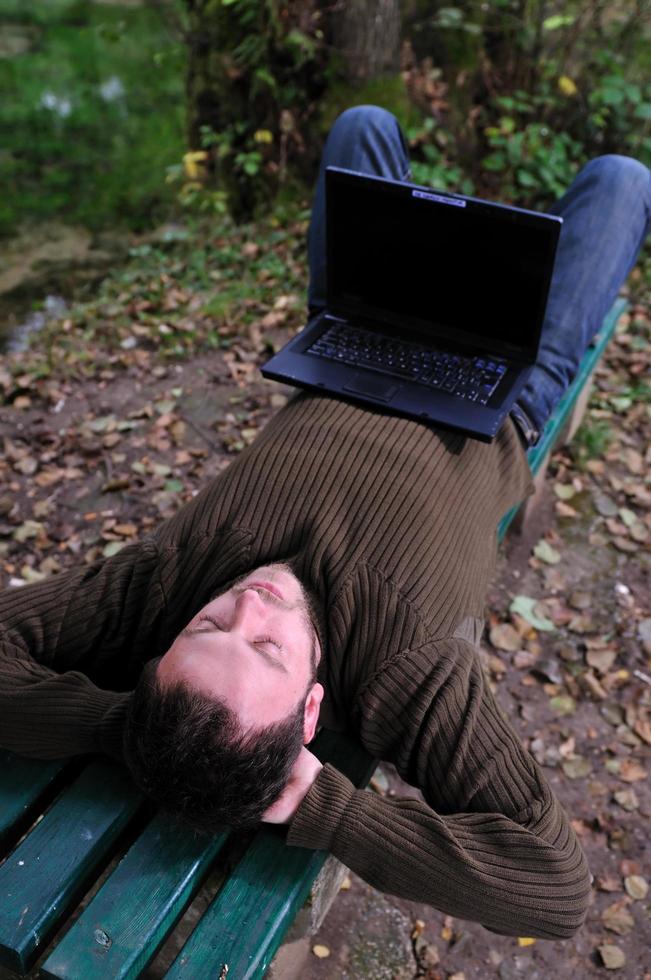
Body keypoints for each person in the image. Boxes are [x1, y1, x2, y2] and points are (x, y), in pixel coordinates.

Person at [1, 107, 649, 940]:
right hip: (509, 395)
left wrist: (116, 727)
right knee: (622, 180)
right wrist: (326, 809)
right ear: (310, 716)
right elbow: (553, 888)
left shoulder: (154, 588)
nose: (252, 602)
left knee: (361, 126)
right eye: (265, 647)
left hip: (358, 339)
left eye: (210, 624)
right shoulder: (404, 673)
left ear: (161, 654)